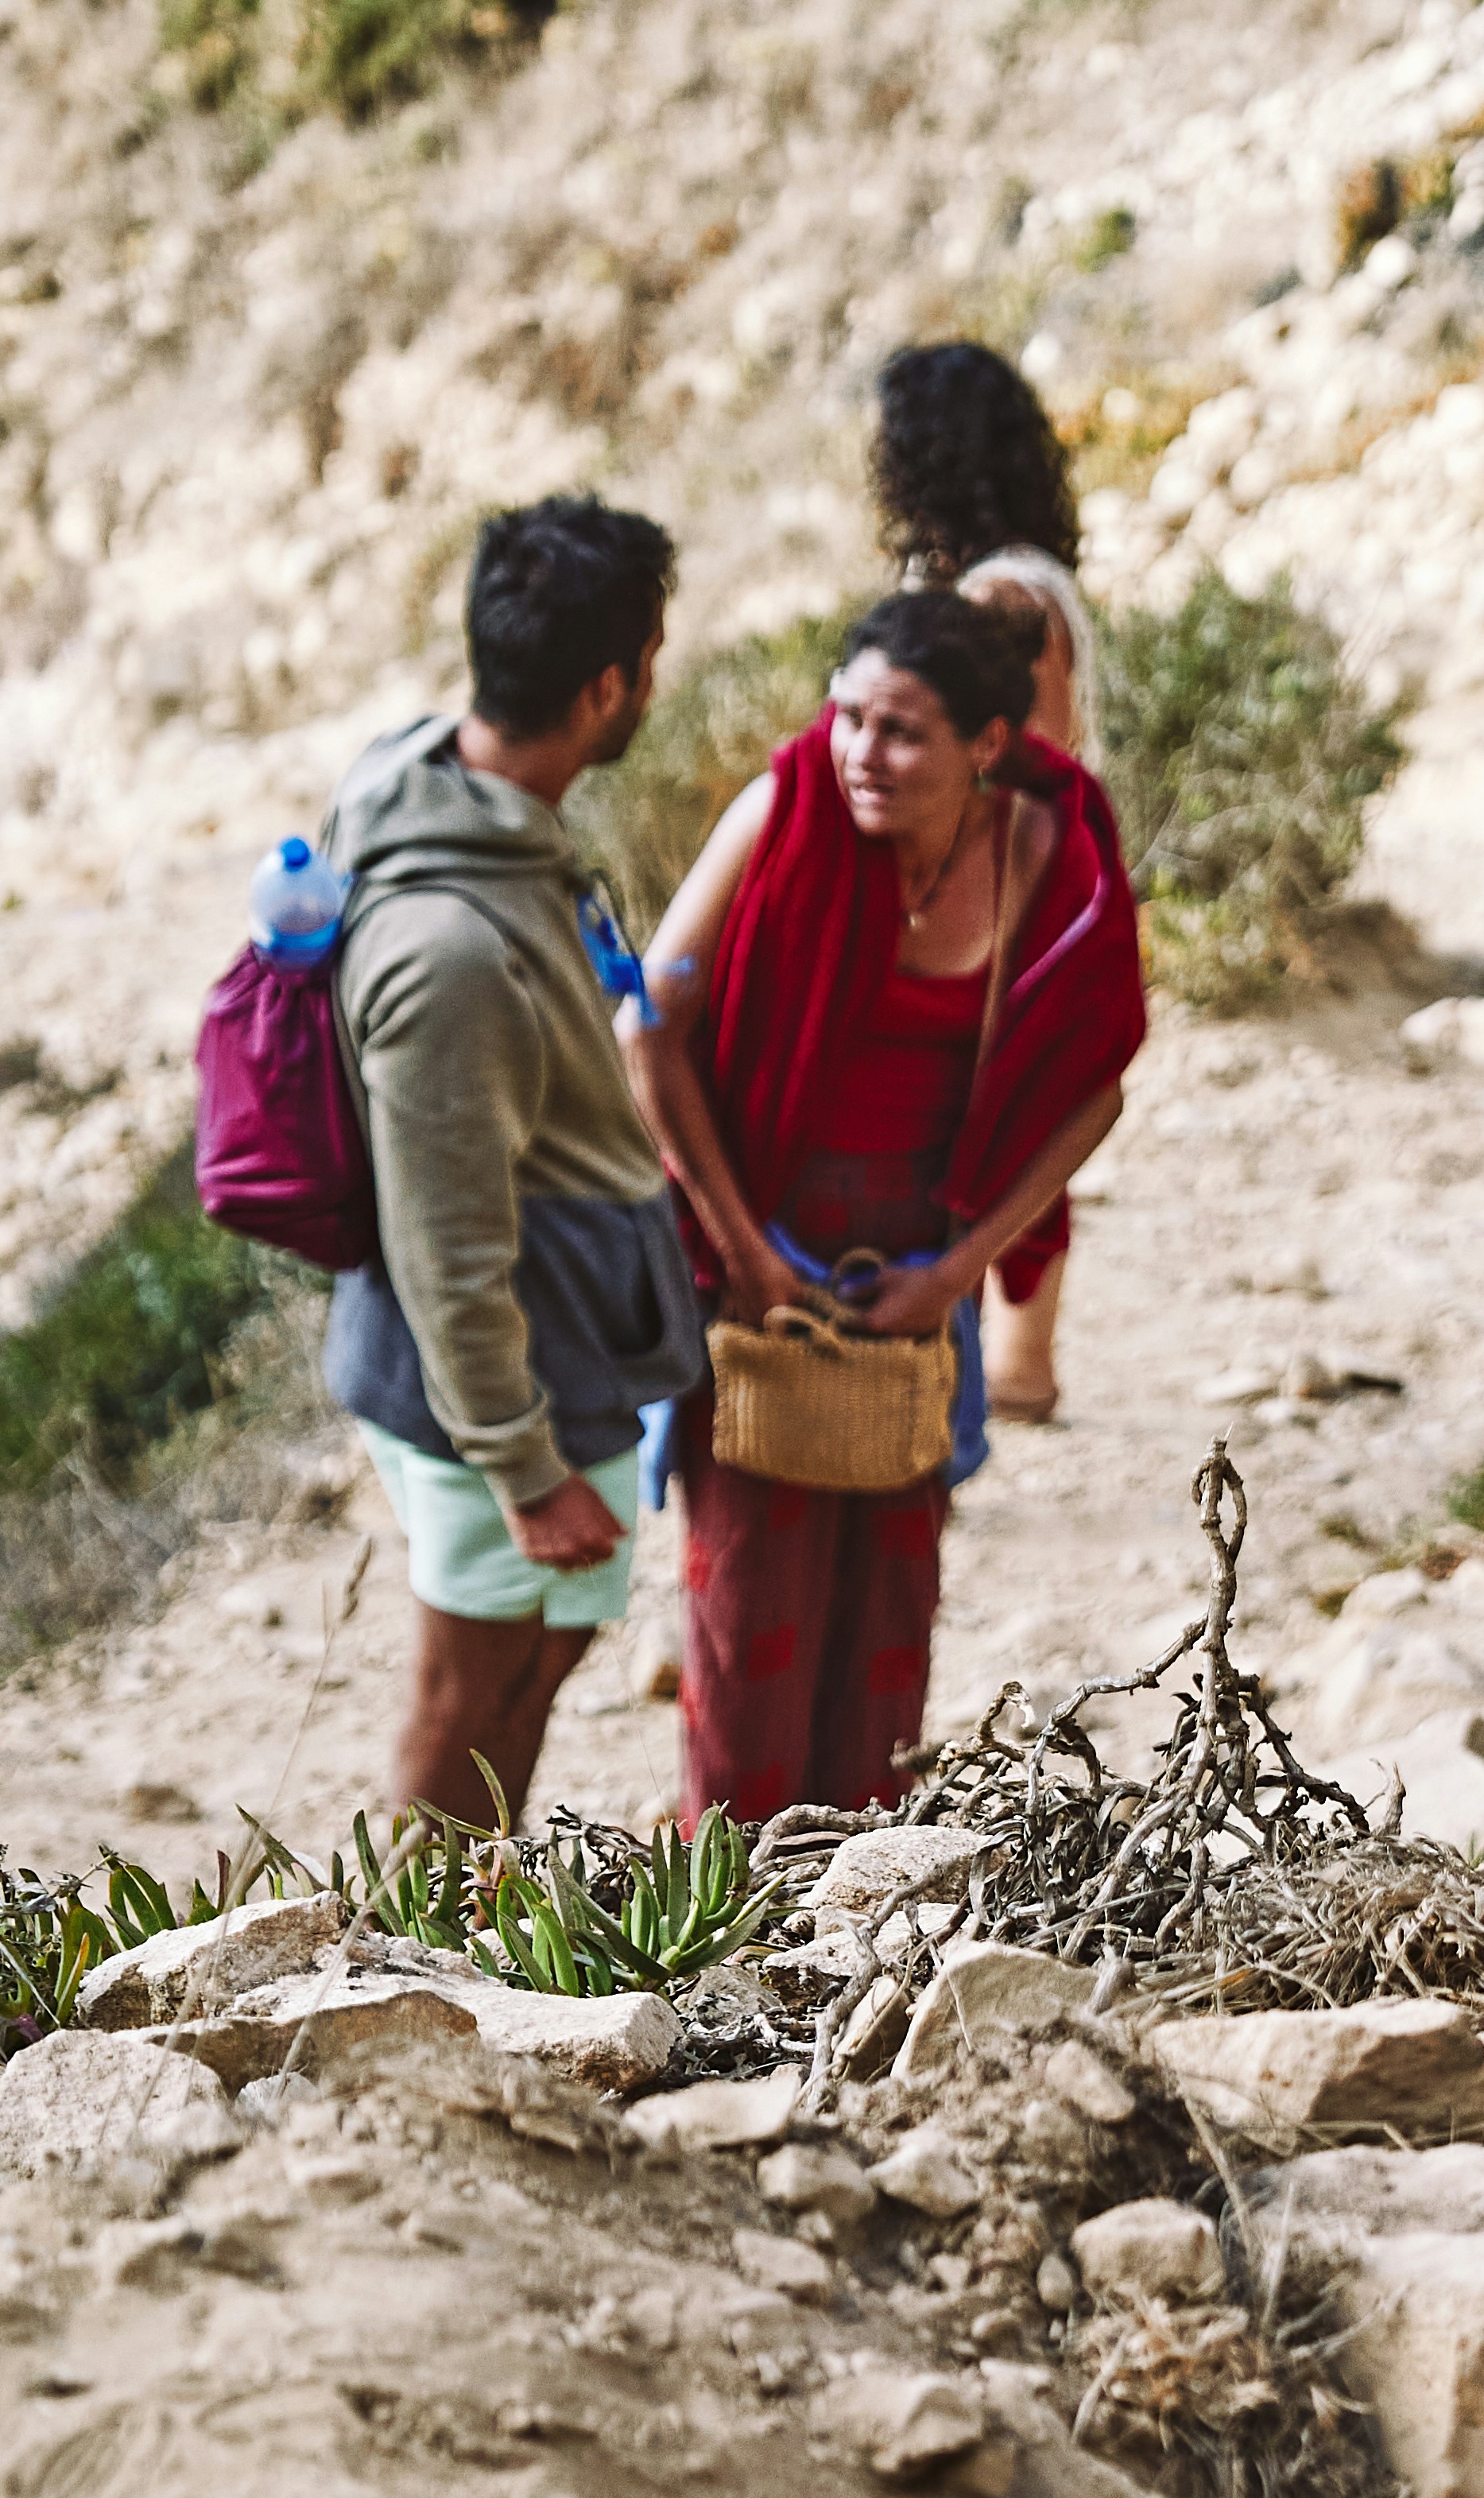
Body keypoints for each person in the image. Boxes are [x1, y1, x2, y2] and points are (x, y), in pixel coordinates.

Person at [626, 585, 1147, 1824]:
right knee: (750, 1609)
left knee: (886, 1621)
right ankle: (728, 1919)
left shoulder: (1041, 856)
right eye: (848, 716)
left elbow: (1095, 1088)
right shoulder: (786, 811)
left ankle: (852, 1909)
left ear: (985, 744)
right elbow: (649, 1021)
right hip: (762, 1276)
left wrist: (962, 1270)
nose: (859, 754)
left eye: (902, 731)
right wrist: (746, 1251)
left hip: (913, 1281)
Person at [325, 495, 707, 1827]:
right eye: (650, 662)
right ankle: (401, 1983)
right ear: (607, 686)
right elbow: (447, 1238)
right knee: (468, 1693)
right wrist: (523, 1464)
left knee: (537, 1659)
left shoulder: (441, 787)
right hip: (493, 1366)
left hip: (553, 1338)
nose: (654, 685)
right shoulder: (451, 951)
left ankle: (460, 1945)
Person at [869, 339, 1099, 1426]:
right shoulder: (1006, 580)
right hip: (1008, 891)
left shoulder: (1011, 593)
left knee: (1008, 1121)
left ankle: (1020, 1363)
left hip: (1014, 896)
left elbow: (1035, 761)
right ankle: (1008, 1360)